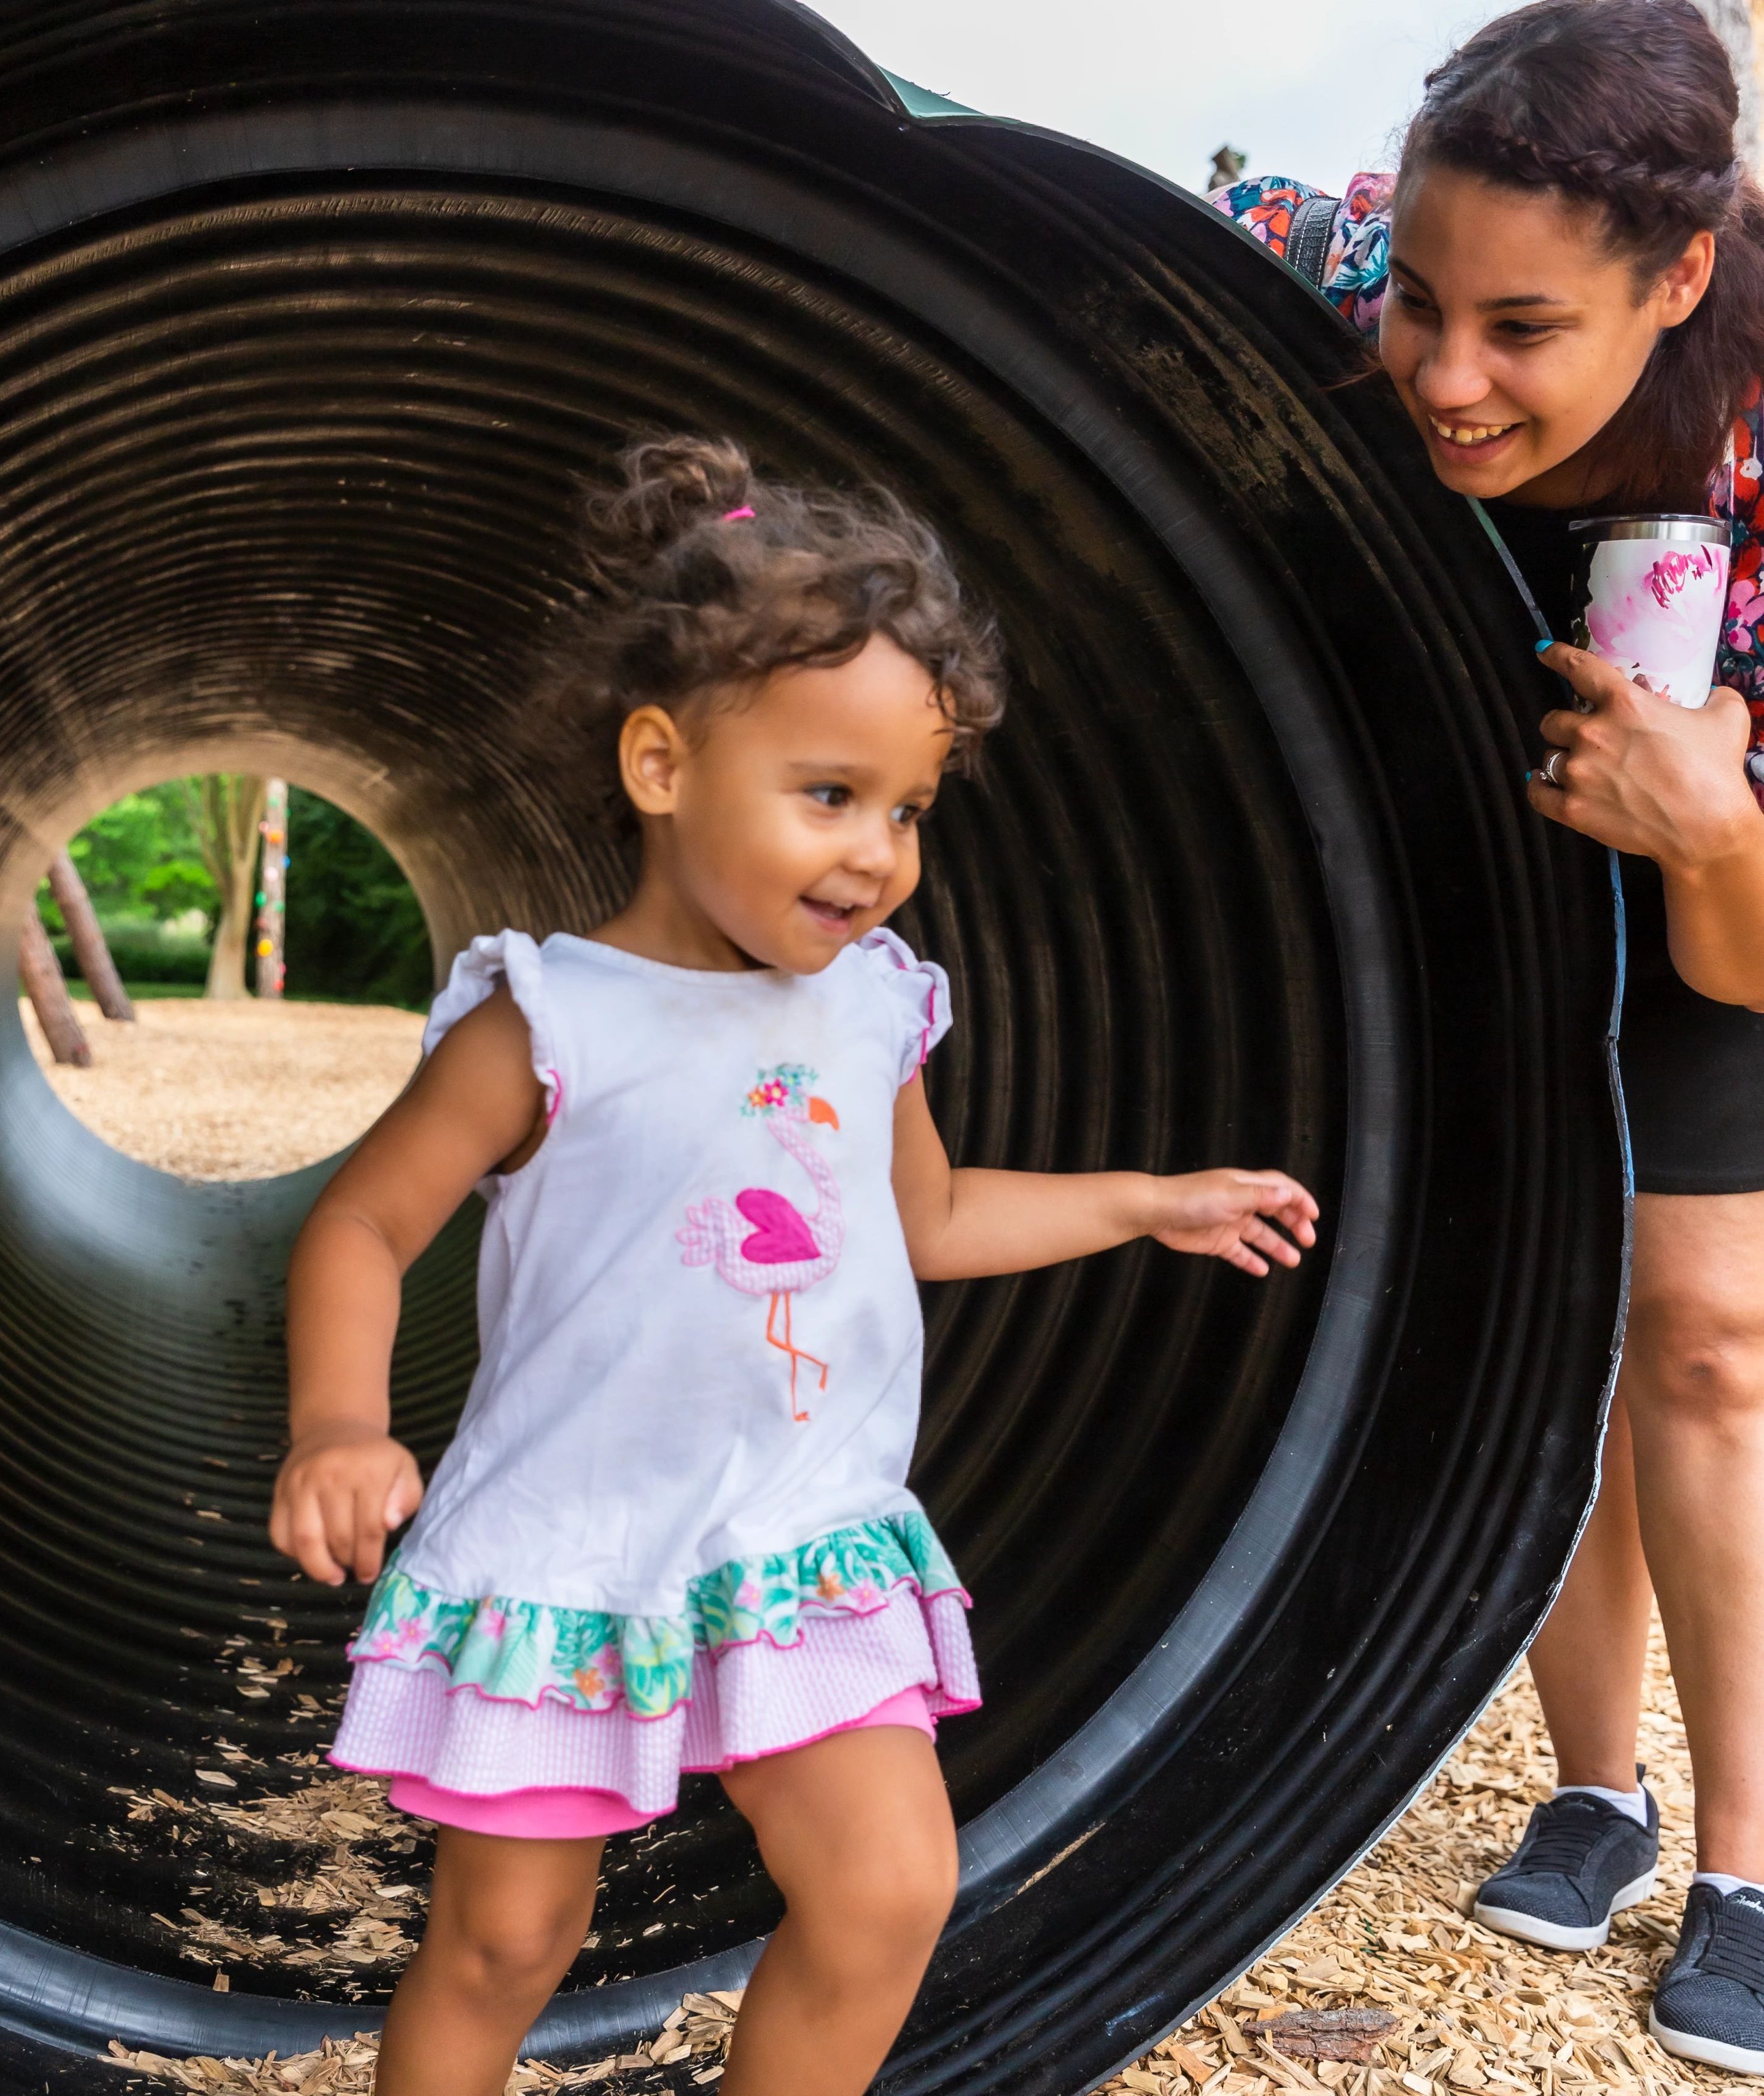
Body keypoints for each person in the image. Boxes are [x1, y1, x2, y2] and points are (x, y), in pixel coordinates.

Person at [265, 434, 1321, 2096]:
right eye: (828, 796)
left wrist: (1140, 1199)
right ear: (662, 765)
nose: (875, 853)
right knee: (504, 1946)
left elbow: (930, 1221)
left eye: (907, 808)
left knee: (892, 1884)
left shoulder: (875, 1002)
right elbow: (363, 1221)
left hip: (799, 1535)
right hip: (572, 1551)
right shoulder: (546, 1019)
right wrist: (339, 1423)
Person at [1218, 0, 1764, 2073]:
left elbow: (1755, 966)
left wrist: (1708, 831)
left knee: (1705, 1328)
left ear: (1683, 278)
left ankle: (1751, 1866)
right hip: (1473, 819)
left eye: (1522, 330)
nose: (1443, 377)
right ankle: (1595, 1785)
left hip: (1725, 848)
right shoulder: (1335, 253)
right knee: (1544, 1299)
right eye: (1421, 304)